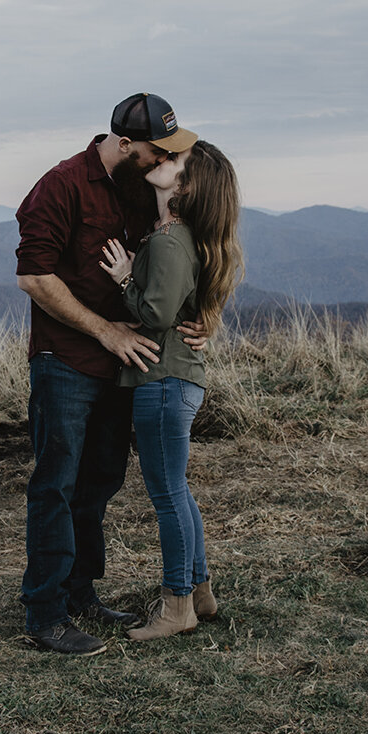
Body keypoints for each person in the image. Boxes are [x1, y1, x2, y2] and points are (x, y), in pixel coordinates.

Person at [14, 92, 206, 656]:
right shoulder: (61, 186)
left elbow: (190, 253)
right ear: (126, 144)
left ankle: (80, 595)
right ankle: (45, 613)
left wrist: (206, 315)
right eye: (157, 150)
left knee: (99, 483)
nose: (164, 159)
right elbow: (34, 278)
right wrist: (105, 331)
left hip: (126, 368)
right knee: (56, 483)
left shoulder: (142, 188)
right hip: (67, 361)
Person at [99, 139, 242, 641]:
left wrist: (123, 280)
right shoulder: (181, 238)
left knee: (166, 496)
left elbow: (156, 314)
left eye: (176, 161)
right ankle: (199, 593)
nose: (165, 161)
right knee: (177, 491)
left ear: (187, 185)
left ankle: (176, 605)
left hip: (161, 381)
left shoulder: (169, 240)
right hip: (179, 381)